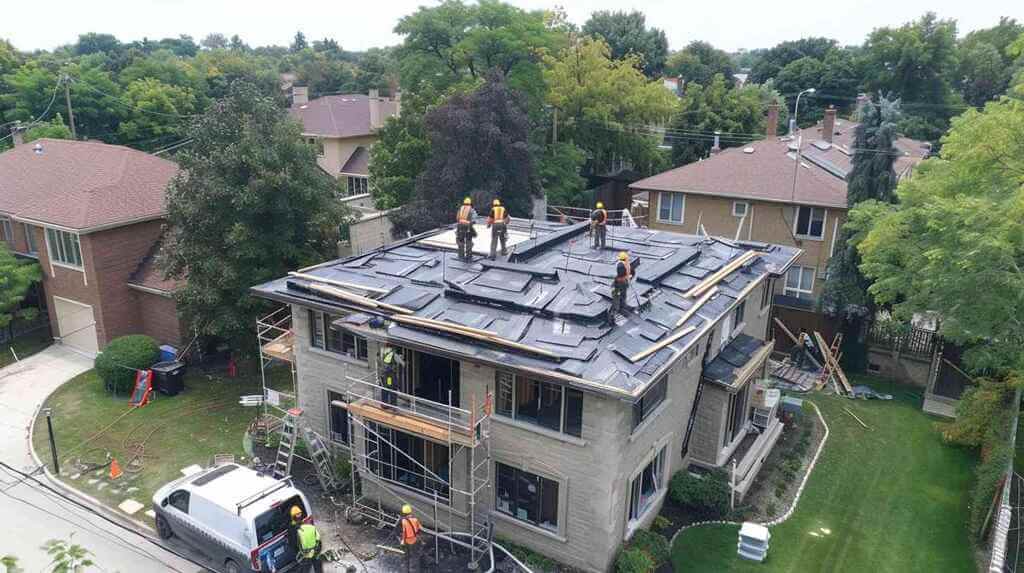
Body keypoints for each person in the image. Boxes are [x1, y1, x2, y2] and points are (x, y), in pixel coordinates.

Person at [396, 504, 422, 573]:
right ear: (410, 512)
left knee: (405, 557)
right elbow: (419, 530)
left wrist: (401, 541)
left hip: (405, 541)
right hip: (414, 541)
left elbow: (399, 531)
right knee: (414, 557)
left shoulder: (402, 521)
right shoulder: (415, 520)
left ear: (403, 513)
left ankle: (405, 571)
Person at [608, 251, 631, 324]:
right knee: (622, 296)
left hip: (621, 283)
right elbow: (623, 275)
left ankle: (616, 310)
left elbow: (620, 276)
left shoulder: (620, 265)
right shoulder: (625, 265)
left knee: (617, 297)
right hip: (623, 282)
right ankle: (621, 307)